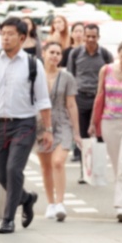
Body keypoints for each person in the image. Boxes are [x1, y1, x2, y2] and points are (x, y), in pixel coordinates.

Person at [0, 17, 53, 234]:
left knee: (14, 169)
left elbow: (43, 101)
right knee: (1, 175)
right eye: (3, 33)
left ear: (22, 38)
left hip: (24, 123)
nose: (5, 37)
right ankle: (27, 199)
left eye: (10, 34)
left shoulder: (33, 65)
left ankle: (8, 219)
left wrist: (48, 130)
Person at [36, 41, 80, 222]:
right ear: (44, 53)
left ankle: (61, 203)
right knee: (46, 166)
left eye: (58, 53)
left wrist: (77, 132)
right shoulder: (36, 75)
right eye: (51, 52)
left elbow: (71, 104)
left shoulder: (67, 76)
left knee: (58, 162)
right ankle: (51, 203)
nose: (55, 56)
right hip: (40, 123)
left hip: (62, 123)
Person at [88, 40, 122, 222]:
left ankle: (121, 206)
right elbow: (99, 96)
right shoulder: (106, 70)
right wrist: (93, 122)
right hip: (109, 122)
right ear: (117, 54)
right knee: (117, 166)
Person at [67, 23, 113, 180]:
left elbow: (112, 76)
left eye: (94, 36)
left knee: (100, 135)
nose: (91, 39)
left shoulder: (105, 55)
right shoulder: (75, 53)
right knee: (83, 136)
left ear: (98, 37)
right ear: (84, 36)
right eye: (88, 36)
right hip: (81, 98)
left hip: (99, 99)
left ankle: (98, 172)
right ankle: (84, 172)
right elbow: (70, 76)